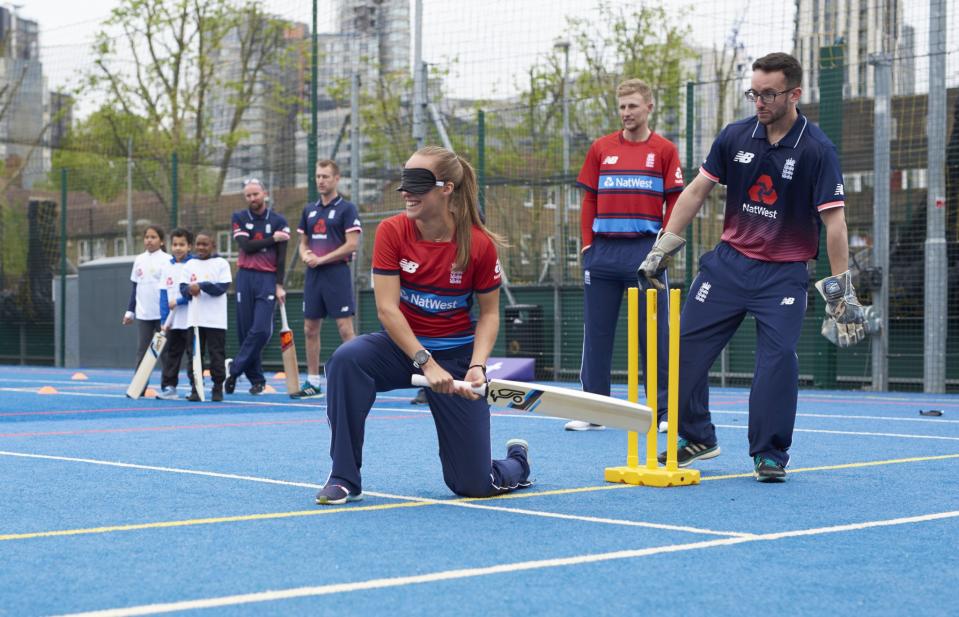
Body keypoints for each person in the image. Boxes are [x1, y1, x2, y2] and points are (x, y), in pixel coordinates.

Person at [639, 52, 865, 482]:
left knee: (776, 362)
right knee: (682, 349)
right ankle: (697, 435)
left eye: (768, 94)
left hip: (784, 273)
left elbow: (834, 223)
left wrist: (841, 289)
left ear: (794, 94)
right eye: (754, 93)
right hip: (728, 265)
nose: (759, 102)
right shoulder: (734, 136)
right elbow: (696, 190)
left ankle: (769, 454)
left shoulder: (818, 150)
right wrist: (663, 246)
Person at [315, 145, 532, 505]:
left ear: (446, 188)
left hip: (457, 358)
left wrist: (477, 366)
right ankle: (344, 477)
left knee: (474, 485)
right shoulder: (391, 231)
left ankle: (518, 463)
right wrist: (425, 363)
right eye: (404, 181)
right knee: (346, 361)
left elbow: (490, 314)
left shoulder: (478, 245)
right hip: (402, 349)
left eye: (416, 183)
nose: (405, 192)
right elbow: (387, 309)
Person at [568, 78, 684, 432]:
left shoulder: (664, 150)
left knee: (654, 336)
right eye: (621, 107)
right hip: (602, 254)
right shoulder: (601, 148)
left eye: (633, 106)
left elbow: (676, 201)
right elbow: (589, 199)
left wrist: (663, 247)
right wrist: (587, 245)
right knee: (597, 334)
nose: (626, 113)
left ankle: (663, 412)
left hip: (645, 253)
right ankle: (594, 410)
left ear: (649, 107)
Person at [290, 160, 362, 399]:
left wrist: (323, 259)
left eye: (326, 176)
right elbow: (302, 244)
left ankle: (355, 379)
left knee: (345, 329)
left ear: (337, 179)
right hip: (314, 277)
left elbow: (352, 244)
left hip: (337, 275)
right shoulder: (309, 210)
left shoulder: (347, 208)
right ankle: (313, 382)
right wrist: (306, 255)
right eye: (318, 176)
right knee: (310, 328)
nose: (321, 180)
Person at [225, 178, 290, 396]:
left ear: (265, 193)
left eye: (256, 194)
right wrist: (273, 239)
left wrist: (280, 285)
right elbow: (246, 246)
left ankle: (234, 369)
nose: (253, 199)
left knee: (261, 330)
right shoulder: (239, 217)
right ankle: (257, 380)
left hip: (267, 279)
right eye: (248, 195)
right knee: (245, 331)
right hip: (245, 277)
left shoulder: (280, 220)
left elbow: (281, 258)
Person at [182, 232, 232, 402]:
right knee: (195, 355)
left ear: (213, 246)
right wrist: (190, 289)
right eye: (198, 244)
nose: (201, 248)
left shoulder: (221, 264)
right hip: (194, 320)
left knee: (216, 354)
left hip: (215, 320)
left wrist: (201, 286)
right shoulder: (189, 264)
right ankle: (196, 388)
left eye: (205, 244)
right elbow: (183, 288)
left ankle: (217, 388)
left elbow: (221, 288)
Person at [122, 225, 170, 393]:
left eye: (154, 237)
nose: (149, 240)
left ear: (162, 241)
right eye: (147, 237)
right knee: (142, 351)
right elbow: (135, 288)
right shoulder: (139, 260)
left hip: (162, 315)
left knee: (162, 350)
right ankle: (139, 387)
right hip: (144, 315)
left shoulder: (167, 260)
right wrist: (130, 311)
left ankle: (168, 386)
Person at [156, 228, 196, 401]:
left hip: (191, 320)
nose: (178, 248)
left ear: (189, 246)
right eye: (175, 244)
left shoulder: (194, 265)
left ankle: (195, 387)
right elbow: (164, 295)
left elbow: (194, 294)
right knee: (172, 355)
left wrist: (179, 302)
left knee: (192, 354)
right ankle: (169, 387)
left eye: (182, 244)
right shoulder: (167, 267)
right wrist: (164, 320)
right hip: (173, 322)